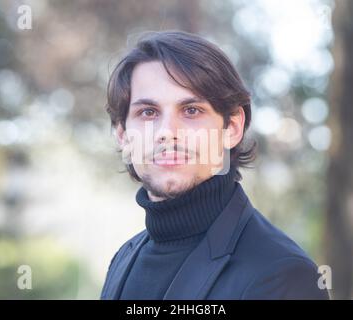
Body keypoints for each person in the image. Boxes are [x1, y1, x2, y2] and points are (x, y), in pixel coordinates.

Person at [100, 30, 329, 300]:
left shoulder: (284, 274)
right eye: (148, 112)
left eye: (191, 111)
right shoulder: (123, 259)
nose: (167, 132)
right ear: (123, 135)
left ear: (232, 127)